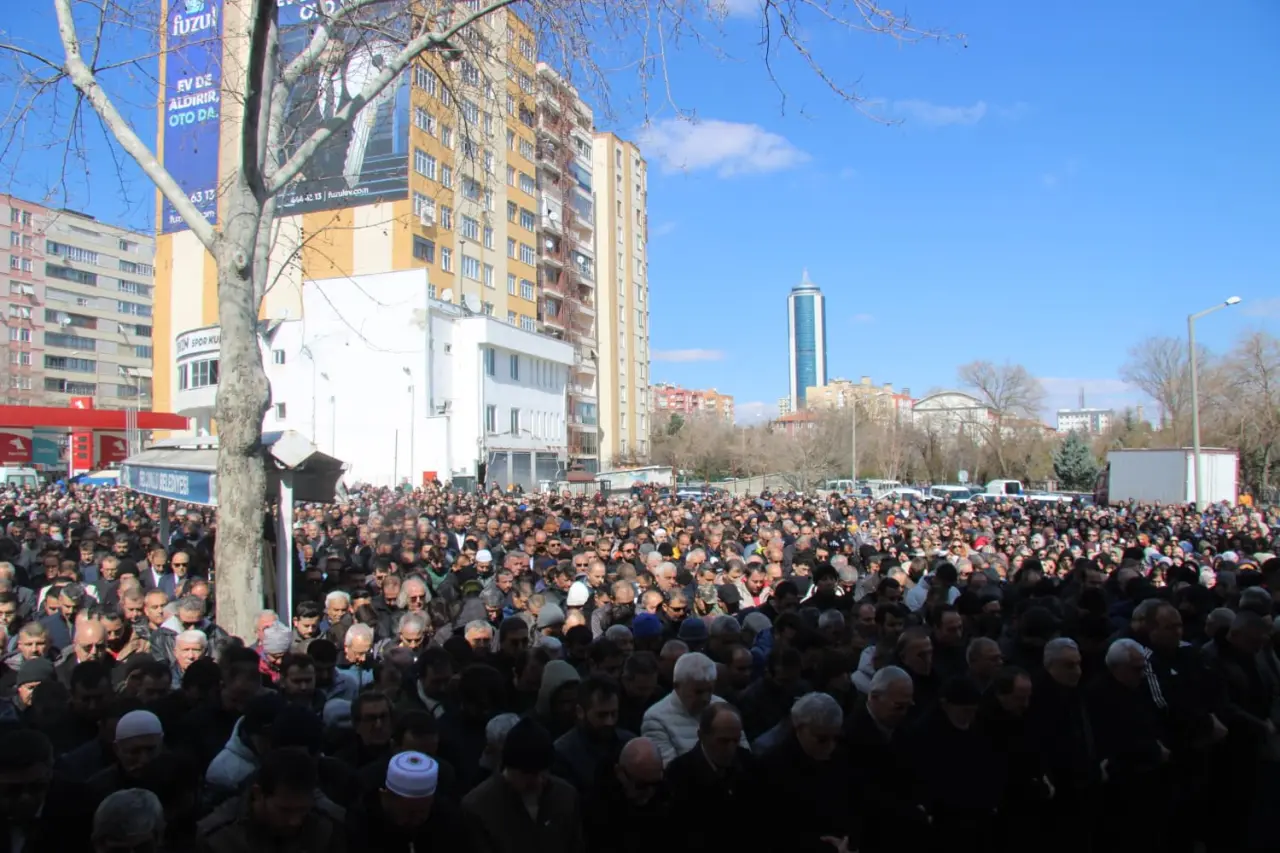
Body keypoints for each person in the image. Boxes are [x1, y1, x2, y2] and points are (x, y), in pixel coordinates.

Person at [462, 718, 584, 853]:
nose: (538, 781)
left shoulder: (566, 796)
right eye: (529, 773)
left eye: (543, 771)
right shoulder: (479, 807)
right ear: (509, 767)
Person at [197, 747, 345, 853]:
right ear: (258, 793)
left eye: (303, 810)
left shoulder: (323, 829)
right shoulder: (221, 838)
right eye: (284, 810)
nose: (295, 821)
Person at [641, 652, 744, 765]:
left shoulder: (722, 708)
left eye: (709, 691)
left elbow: (744, 754)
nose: (706, 698)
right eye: (698, 692)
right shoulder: (655, 719)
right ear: (677, 686)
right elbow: (670, 769)